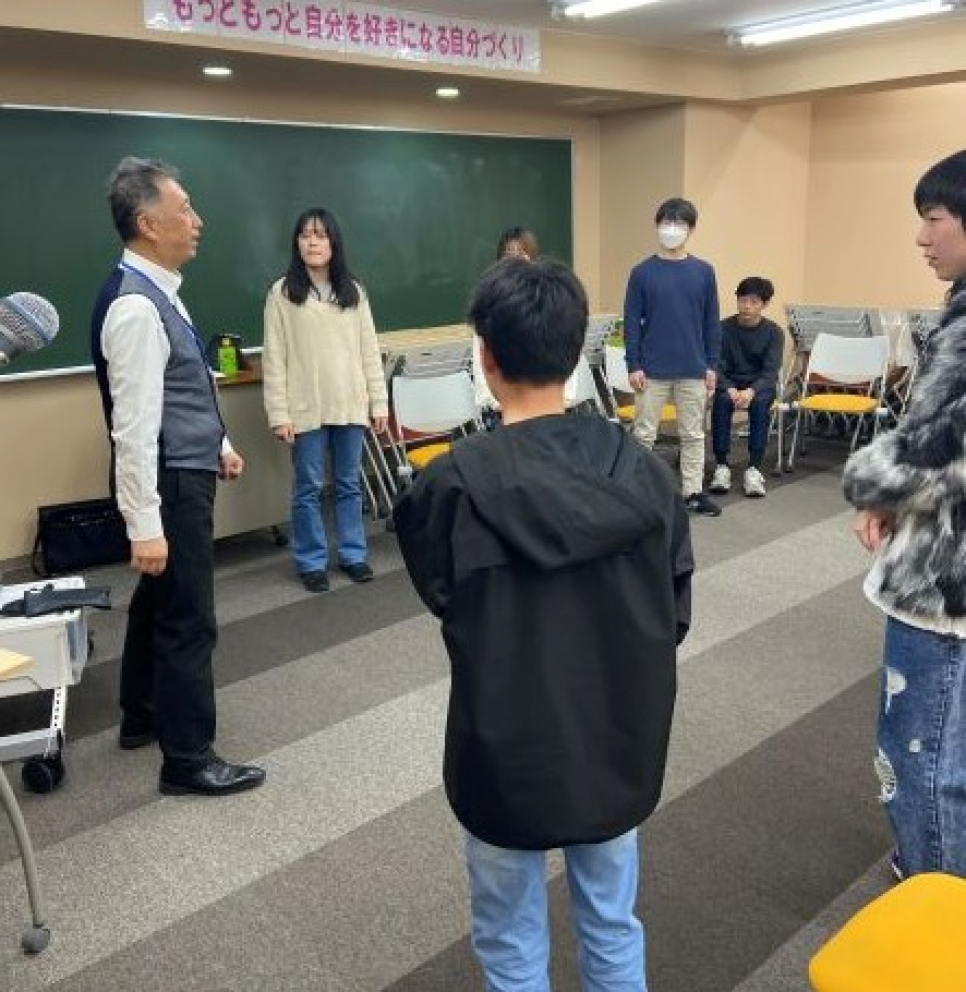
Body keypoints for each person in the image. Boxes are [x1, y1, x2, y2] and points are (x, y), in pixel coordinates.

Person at [394, 257, 693, 990]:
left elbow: (443, 594)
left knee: (508, 936)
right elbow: (674, 610)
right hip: (616, 738)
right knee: (612, 921)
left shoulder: (449, 486)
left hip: (505, 743)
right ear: (574, 351)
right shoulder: (647, 473)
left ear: (487, 358)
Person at [90, 156, 265, 796]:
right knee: (189, 617)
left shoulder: (158, 290)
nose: (198, 220)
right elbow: (133, 426)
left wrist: (219, 441)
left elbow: (181, 387)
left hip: (183, 466)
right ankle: (188, 760)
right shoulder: (136, 308)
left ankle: (141, 715)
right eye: (184, 208)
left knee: (158, 599)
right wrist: (143, 522)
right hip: (171, 482)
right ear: (147, 223)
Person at [843, 148, 966, 879]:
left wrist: (875, 484)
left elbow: (941, 449)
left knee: (921, 756)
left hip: (945, 583)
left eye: (934, 218)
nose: (922, 238)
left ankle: (933, 890)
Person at [262, 207, 388, 593]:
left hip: (350, 403)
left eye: (320, 235)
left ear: (334, 242)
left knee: (349, 483)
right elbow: (274, 359)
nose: (312, 243)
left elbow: (369, 350)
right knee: (309, 487)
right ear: (296, 244)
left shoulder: (354, 292)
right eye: (305, 235)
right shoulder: (282, 293)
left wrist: (378, 402)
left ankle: (353, 554)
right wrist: (279, 413)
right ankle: (311, 561)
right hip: (305, 408)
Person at [623, 196, 722, 516]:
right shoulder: (642, 272)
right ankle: (637, 493)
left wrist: (712, 365)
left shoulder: (704, 272)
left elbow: (711, 322)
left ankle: (693, 492)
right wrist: (633, 364)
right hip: (651, 369)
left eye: (679, 223)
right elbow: (631, 322)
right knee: (643, 434)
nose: (672, 228)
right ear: (657, 225)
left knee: (693, 435)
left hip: (694, 367)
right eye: (666, 222)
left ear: (691, 229)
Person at [708, 276, 784, 498]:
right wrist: (729, 387)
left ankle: (754, 469)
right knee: (722, 402)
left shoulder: (774, 332)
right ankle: (721, 466)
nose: (747, 306)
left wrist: (752, 390)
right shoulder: (722, 328)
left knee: (760, 405)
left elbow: (771, 371)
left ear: (765, 304)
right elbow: (715, 364)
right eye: (742, 300)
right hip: (729, 383)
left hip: (758, 386)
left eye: (753, 301)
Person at [474, 227, 543, 417]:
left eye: (521, 253)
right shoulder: (489, 302)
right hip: (503, 408)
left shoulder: (545, 300)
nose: (515, 260)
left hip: (542, 405)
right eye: (508, 254)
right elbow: (480, 356)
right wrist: (494, 402)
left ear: (532, 258)